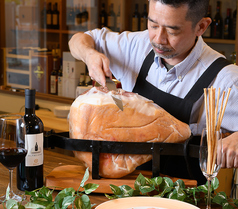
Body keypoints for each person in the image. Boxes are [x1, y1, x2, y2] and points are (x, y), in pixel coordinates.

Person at [69, 0, 238, 182]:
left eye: (172, 31)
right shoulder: (137, 45)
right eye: (153, 24)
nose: (158, 39)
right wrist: (89, 55)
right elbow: (78, 40)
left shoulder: (226, 80)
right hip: (125, 187)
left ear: (201, 27)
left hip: (184, 199)